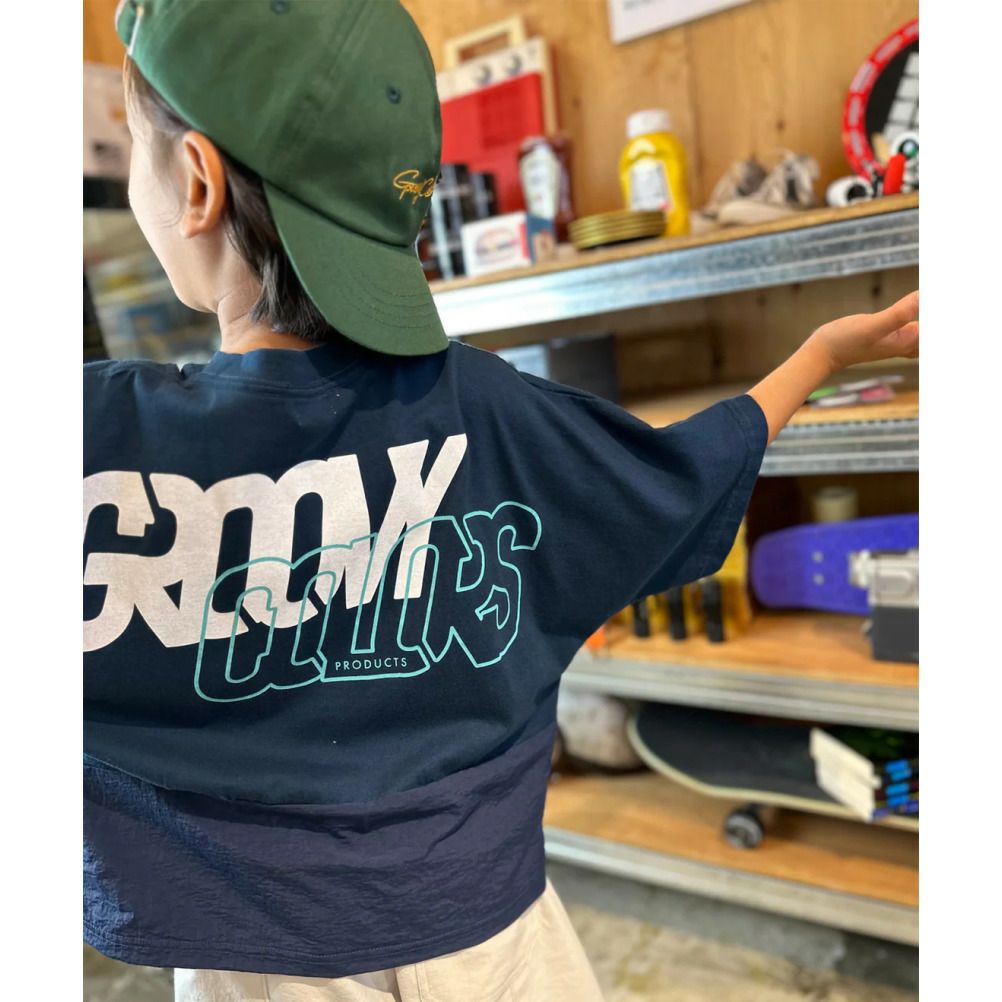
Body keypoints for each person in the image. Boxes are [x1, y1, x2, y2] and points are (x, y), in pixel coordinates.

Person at [83, 2, 919, 1000]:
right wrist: (815, 358)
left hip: (256, 968)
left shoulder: (97, 446)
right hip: (496, 946)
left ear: (196, 182)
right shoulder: (488, 409)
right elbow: (677, 474)